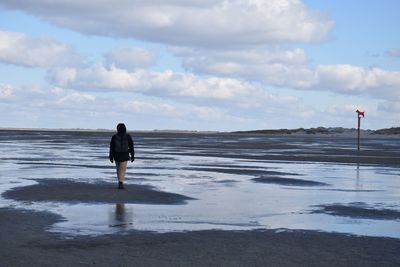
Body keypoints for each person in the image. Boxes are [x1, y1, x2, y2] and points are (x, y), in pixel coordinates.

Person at [109, 123, 135, 189]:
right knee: (122, 170)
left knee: (119, 169)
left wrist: (111, 156)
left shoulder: (114, 137)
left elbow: (111, 148)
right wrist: (132, 155)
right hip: (124, 155)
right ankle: (121, 182)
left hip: (117, 155)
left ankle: (120, 182)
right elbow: (131, 147)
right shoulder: (128, 136)